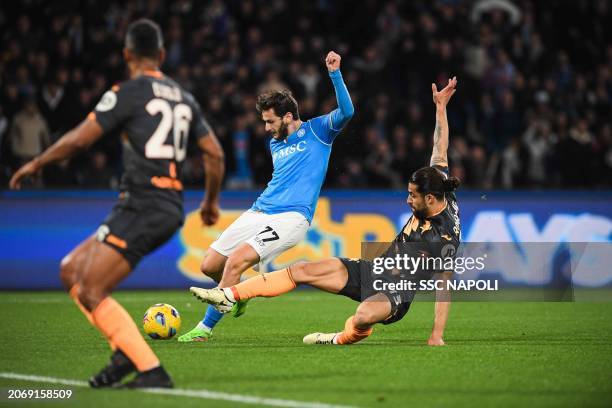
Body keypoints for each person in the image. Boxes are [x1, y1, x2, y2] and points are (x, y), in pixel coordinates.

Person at [9, 19, 224, 387]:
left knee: (91, 289)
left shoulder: (129, 91)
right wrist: (209, 203)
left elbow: (79, 140)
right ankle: (125, 351)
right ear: (160, 54)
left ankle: (148, 368)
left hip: (144, 204)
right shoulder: (184, 98)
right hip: (161, 204)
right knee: (70, 271)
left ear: (126, 55)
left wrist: (37, 162)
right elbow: (215, 154)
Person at [190, 77, 460, 346]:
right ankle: (235, 294)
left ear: (431, 198)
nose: (407, 201)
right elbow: (440, 147)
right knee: (289, 268)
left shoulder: (444, 238)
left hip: (396, 289)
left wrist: (436, 335)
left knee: (362, 316)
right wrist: (440, 108)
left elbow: (443, 285)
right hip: (374, 267)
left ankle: (335, 337)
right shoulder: (437, 183)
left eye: (413, 196)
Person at [179, 51, 354, 342]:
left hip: (292, 217)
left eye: (270, 121)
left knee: (235, 262)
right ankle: (239, 292)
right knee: (209, 265)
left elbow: (347, 112)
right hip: (260, 210)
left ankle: (203, 330)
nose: (266, 128)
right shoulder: (275, 143)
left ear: (288, 116)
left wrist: (334, 74)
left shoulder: (319, 131)